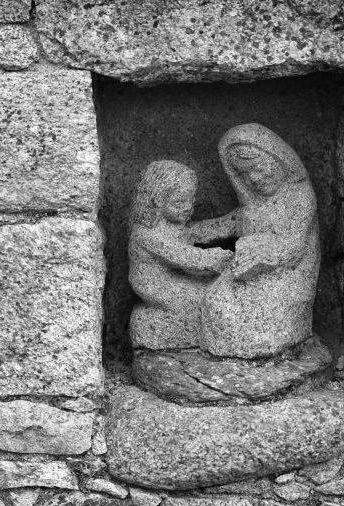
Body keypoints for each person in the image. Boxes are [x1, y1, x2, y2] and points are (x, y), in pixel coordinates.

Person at [188, 123, 320, 358]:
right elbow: (226, 224)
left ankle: (266, 348)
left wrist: (263, 252)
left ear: (277, 158)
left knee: (258, 320)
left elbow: (295, 247)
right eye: (243, 175)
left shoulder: (300, 196)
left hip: (288, 275)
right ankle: (234, 351)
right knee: (216, 302)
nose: (254, 179)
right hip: (248, 271)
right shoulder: (253, 205)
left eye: (258, 168)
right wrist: (189, 233)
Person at [128, 160, 232, 350]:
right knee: (209, 298)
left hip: (175, 278)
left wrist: (231, 222)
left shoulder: (174, 226)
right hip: (156, 286)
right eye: (179, 202)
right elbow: (182, 255)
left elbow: (200, 231)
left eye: (190, 200)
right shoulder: (145, 234)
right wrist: (216, 258)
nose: (187, 207)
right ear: (158, 201)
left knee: (217, 291)